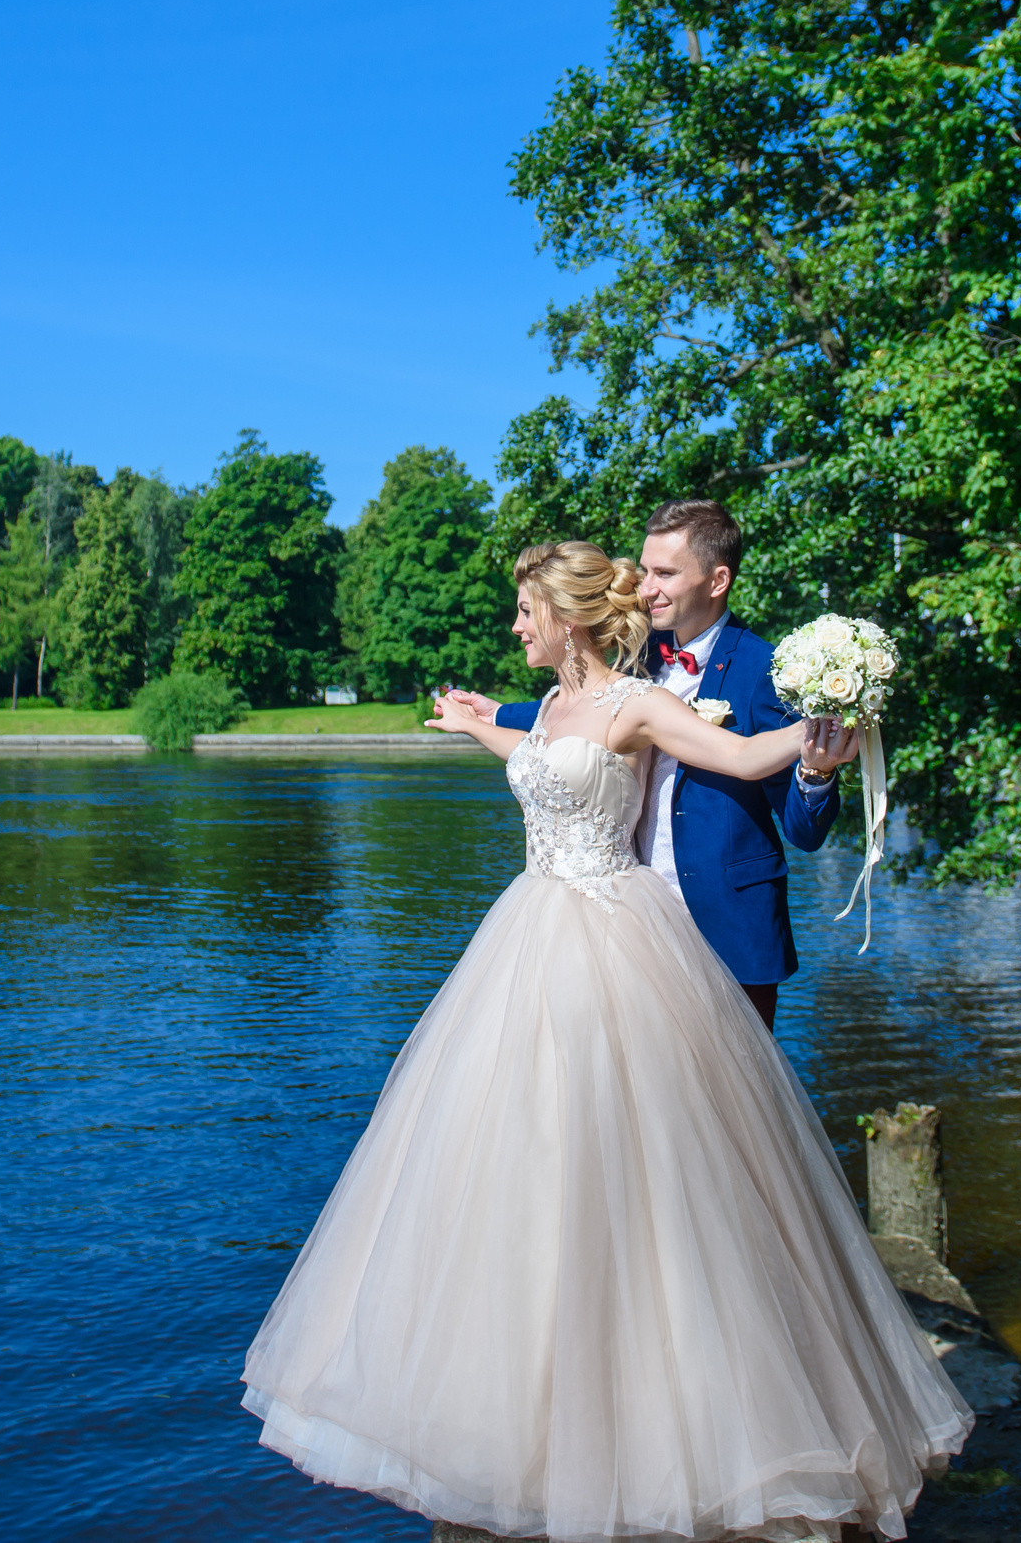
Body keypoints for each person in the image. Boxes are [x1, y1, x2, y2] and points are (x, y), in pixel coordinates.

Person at [242, 540, 969, 1543]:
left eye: (524, 611)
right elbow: (540, 764)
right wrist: (471, 724)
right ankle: (531, 1413)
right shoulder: (544, 710)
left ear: (568, 616)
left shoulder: (633, 705)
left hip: (617, 944)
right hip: (529, 937)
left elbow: (737, 754)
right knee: (527, 1169)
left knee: (653, 1175)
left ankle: (683, 1420)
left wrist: (819, 731)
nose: (514, 627)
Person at [448, 499, 849, 1030]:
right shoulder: (635, 649)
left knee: (728, 1102)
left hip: (725, 922)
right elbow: (580, 710)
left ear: (717, 579)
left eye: (664, 574)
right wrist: (495, 712)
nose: (645, 589)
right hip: (622, 919)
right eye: (644, 572)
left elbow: (802, 827)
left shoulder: (764, 672)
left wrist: (816, 771)